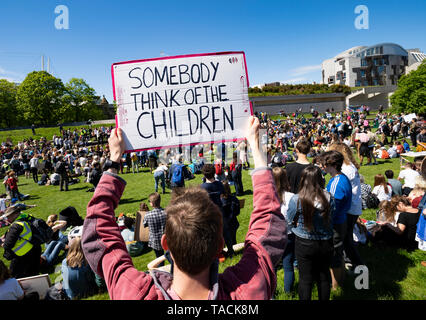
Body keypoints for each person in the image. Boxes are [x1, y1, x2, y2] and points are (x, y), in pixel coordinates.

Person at [81, 116, 287, 300]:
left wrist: (113, 160)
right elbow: (267, 226)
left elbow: (98, 234)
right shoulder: (247, 289)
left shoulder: (135, 293)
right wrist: (257, 150)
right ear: (220, 245)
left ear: (165, 243)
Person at [286, 165, 335, 300]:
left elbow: (289, 219)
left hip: (304, 242)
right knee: (324, 277)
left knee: (305, 279)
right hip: (325, 241)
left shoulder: (296, 199)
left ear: (303, 180)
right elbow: (333, 218)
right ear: (321, 179)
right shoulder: (329, 197)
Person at [318, 150, 352, 290]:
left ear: (330, 164)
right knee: (338, 253)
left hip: (335, 223)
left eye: (323, 164)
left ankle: (336, 287)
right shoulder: (340, 178)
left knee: (334, 256)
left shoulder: (336, 183)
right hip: (341, 220)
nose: (321, 166)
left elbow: (331, 208)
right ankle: (341, 279)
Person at [328, 143, 364, 269]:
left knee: (345, 238)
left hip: (348, 208)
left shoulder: (346, 169)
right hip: (352, 206)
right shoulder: (349, 166)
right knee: (346, 237)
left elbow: (340, 190)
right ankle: (350, 261)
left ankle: (356, 263)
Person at [200, 164, 234, 257]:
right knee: (225, 231)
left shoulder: (202, 187)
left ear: (204, 174)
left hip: (209, 212)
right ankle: (230, 250)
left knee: (213, 234)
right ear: (214, 172)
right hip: (219, 210)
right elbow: (222, 193)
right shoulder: (219, 184)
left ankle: (216, 253)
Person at [272, 166, 296, 294]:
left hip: (273, 235)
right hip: (289, 233)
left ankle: (273, 293)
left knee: (273, 266)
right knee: (288, 265)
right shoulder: (292, 197)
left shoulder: (267, 196)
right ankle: (288, 292)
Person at [1, 206, 41, 278]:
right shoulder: (27, 217)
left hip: (22, 254)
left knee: (14, 276)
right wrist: (7, 235)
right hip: (35, 249)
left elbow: (7, 245)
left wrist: (1, 243)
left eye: (9, 216)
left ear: (15, 214)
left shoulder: (16, 226)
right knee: (33, 274)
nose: (7, 218)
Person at [61, 235, 97, 299]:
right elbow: (91, 280)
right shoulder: (86, 263)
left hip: (70, 294)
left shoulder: (64, 262)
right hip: (85, 294)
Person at [143, 192, 167, 262]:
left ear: (152, 203)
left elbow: (144, 224)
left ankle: (160, 271)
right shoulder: (166, 212)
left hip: (155, 241)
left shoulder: (148, 214)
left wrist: (147, 212)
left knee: (159, 259)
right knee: (170, 257)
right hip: (166, 239)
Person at [220, 180, 240, 247]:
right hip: (234, 223)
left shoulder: (220, 201)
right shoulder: (234, 198)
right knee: (233, 239)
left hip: (225, 224)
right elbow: (237, 212)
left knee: (225, 240)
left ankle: (230, 251)